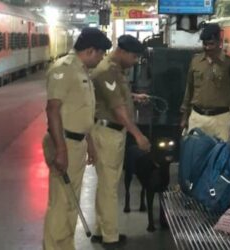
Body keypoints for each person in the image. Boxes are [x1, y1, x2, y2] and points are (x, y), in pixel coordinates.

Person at [42, 27, 112, 250]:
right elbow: (53, 109)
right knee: (61, 203)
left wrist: (89, 142)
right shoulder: (64, 69)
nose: (102, 58)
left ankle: (65, 246)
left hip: (76, 142)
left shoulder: (82, 71)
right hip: (64, 143)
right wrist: (61, 150)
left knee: (71, 202)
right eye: (101, 54)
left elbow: (82, 111)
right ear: (91, 50)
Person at [89, 34, 151, 248]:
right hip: (108, 133)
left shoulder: (115, 70)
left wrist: (133, 96)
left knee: (106, 184)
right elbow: (117, 110)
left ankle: (101, 230)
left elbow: (116, 96)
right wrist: (138, 135)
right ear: (122, 52)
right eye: (133, 56)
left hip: (112, 132)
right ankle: (110, 237)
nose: (135, 61)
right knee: (109, 186)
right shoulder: (107, 71)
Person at [180, 23, 230, 141]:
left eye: (211, 44)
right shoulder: (196, 61)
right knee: (196, 156)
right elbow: (189, 88)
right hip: (197, 117)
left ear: (219, 42)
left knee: (218, 157)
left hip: (221, 119)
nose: (207, 47)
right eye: (205, 44)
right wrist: (185, 115)